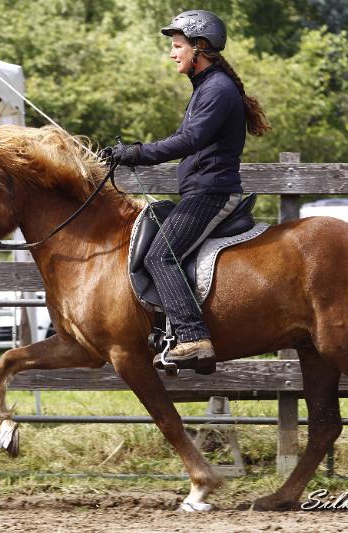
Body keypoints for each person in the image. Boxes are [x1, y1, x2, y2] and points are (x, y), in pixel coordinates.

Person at [105, 10, 270, 375]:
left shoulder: (217, 90)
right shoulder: (207, 88)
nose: (172, 53)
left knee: (161, 256)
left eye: (177, 46)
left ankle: (193, 336)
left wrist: (137, 153)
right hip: (201, 192)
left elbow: (190, 140)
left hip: (212, 194)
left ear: (201, 48)